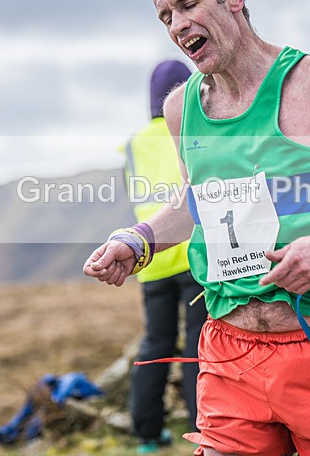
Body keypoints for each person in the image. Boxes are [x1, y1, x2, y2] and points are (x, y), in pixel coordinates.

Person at [84, 0, 310, 455]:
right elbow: (199, 202)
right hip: (229, 351)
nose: (177, 25)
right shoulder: (181, 109)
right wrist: (140, 239)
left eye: (189, 4)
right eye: (165, 15)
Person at [122, 60, 208, 453]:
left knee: (155, 343)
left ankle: (147, 433)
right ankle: (201, 429)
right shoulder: (188, 129)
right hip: (191, 253)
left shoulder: (135, 143)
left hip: (151, 259)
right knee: (196, 346)